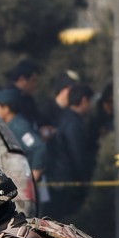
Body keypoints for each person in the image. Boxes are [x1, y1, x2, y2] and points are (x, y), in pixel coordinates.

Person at [44, 83, 94, 223]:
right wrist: (83, 180)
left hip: (57, 179)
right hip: (66, 182)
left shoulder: (63, 118)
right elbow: (77, 154)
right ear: (84, 100)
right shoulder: (74, 124)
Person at [0, 89, 46, 182]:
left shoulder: (19, 127)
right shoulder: (8, 126)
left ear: (6, 108)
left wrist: (34, 174)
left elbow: (38, 147)